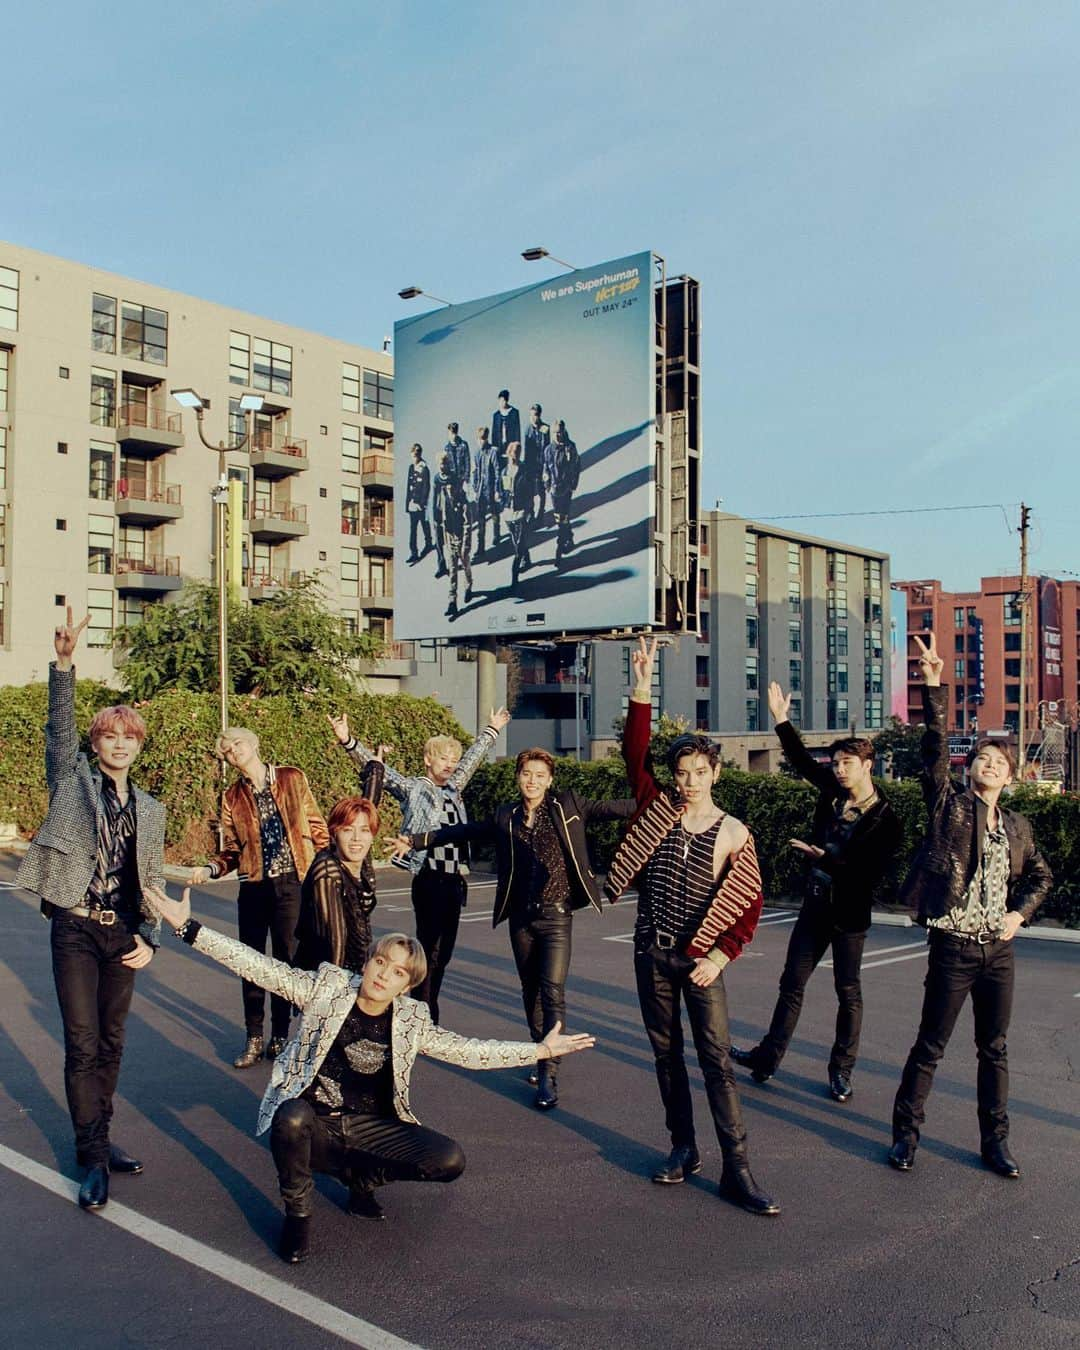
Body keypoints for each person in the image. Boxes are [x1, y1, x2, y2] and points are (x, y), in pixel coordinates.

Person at [146, 886, 596, 1264]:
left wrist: (539, 1050)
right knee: (291, 1117)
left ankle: (363, 1179)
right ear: (368, 964)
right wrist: (189, 929)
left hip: (370, 1127)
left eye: (398, 972)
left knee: (448, 1159)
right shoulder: (326, 988)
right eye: (381, 962)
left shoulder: (413, 1019)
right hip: (316, 1121)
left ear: (407, 984)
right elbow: (258, 966)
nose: (384, 975)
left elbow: (466, 1050)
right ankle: (298, 1213)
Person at [605, 636, 778, 1215]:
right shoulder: (658, 808)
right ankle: (683, 1147)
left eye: (699, 772)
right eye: (681, 772)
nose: (688, 781)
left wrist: (720, 957)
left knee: (717, 1060)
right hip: (650, 953)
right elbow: (634, 755)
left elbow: (748, 906)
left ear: (715, 774)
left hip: (701, 962)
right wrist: (642, 685)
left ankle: (739, 1169)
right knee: (665, 1054)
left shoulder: (733, 831)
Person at [15, 609, 164, 1210]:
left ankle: (99, 1137)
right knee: (82, 1045)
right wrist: (64, 667)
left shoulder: (151, 809)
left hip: (121, 934)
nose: (120, 743)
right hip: (75, 929)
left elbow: (149, 879)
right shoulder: (73, 781)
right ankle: (95, 1157)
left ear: (137, 745)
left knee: (112, 1043)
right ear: (96, 743)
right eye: (109, 736)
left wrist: (150, 935)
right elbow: (57, 733)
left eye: (128, 737)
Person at [887, 633, 1051, 1178]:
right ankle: (905, 1137)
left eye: (997, 762)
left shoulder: (1017, 826)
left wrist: (1017, 915)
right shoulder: (950, 806)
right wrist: (933, 685)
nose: (987, 765)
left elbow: (1042, 878)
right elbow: (932, 755)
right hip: (954, 946)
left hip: (997, 951)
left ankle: (995, 1143)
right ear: (970, 768)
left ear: (1010, 776)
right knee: (931, 1044)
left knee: (994, 1050)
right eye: (980, 759)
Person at [392, 747, 635, 1110]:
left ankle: (549, 1073)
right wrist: (417, 840)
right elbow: (464, 830)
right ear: (518, 777)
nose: (532, 781)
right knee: (530, 989)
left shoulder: (568, 805)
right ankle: (542, 1049)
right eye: (526, 774)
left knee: (553, 990)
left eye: (539, 775)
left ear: (550, 780)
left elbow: (618, 807)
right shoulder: (506, 815)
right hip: (521, 918)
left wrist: (670, 800)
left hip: (556, 917)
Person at [731, 682, 902, 1102]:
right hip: (814, 908)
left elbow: (865, 875)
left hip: (849, 917)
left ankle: (841, 1072)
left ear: (868, 765)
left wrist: (822, 857)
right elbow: (804, 763)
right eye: (837, 763)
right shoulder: (832, 792)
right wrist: (781, 720)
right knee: (791, 983)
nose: (839, 770)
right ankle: (766, 1059)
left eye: (847, 763)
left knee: (848, 993)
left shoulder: (886, 819)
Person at [329, 707, 510, 1024]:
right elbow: (380, 772)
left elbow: (473, 757)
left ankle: (424, 1009)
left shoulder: (454, 788)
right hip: (429, 877)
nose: (451, 764)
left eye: (453, 760)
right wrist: (348, 741)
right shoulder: (415, 788)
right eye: (443, 759)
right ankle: (424, 1015)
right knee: (428, 950)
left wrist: (491, 729)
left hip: (454, 881)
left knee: (444, 955)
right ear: (428, 760)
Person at [191, 729, 329, 1068]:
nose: (233, 751)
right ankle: (253, 1036)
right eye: (226, 750)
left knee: (284, 962)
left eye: (237, 744)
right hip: (253, 887)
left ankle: (280, 1036)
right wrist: (212, 868)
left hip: (292, 883)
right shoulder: (232, 796)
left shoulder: (291, 777)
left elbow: (317, 826)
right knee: (249, 963)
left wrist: (330, 869)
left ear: (254, 744)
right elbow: (233, 850)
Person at [433, 451, 473, 619]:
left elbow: (467, 524)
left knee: (465, 564)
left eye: (451, 488)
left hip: (461, 536)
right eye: (446, 489)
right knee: (452, 570)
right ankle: (452, 602)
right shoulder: (443, 500)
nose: (449, 490)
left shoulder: (463, 502)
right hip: (449, 537)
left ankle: (469, 586)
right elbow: (439, 518)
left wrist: (465, 543)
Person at [547, 419, 580, 564]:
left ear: (564, 431)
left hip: (566, 488)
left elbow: (577, 466)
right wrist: (547, 484)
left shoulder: (570, 447)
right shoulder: (549, 449)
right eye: (554, 433)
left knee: (562, 518)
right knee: (559, 518)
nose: (557, 435)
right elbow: (545, 468)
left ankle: (559, 549)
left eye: (559, 432)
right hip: (554, 489)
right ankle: (569, 536)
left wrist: (574, 483)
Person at [499, 440, 533, 586]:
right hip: (508, 511)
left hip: (520, 511)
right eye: (512, 455)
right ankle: (527, 557)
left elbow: (530, 491)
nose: (514, 458)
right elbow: (500, 488)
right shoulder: (504, 471)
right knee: (516, 540)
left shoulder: (524, 470)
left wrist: (529, 509)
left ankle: (514, 578)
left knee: (517, 547)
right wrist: (500, 498)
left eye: (517, 455)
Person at [471, 425, 503, 559]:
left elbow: (497, 472)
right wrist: (474, 488)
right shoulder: (477, 453)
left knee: (495, 513)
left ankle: (497, 534)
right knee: (481, 519)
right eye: (479, 439)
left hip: (491, 489)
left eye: (483, 439)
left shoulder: (493, 452)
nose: (481, 441)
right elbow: (475, 472)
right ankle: (480, 546)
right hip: (480, 491)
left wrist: (497, 490)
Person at [405, 443, 432, 564]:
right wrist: (407, 504)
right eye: (413, 455)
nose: (415, 457)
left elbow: (426, 487)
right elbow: (408, 487)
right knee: (413, 529)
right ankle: (413, 552)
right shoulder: (411, 468)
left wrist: (423, 503)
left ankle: (428, 543)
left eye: (417, 455)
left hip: (420, 504)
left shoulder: (424, 468)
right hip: (412, 504)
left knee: (424, 524)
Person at [523, 403, 550, 525]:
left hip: (541, 464)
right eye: (532, 415)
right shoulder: (528, 429)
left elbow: (547, 449)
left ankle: (541, 513)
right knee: (529, 491)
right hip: (530, 464)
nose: (533, 418)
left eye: (536, 415)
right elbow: (527, 449)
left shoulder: (545, 429)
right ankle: (530, 513)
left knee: (540, 490)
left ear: (539, 415)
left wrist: (546, 466)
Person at [491, 388, 520, 457]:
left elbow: (517, 430)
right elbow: (494, 431)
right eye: (500, 401)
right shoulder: (496, 415)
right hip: (499, 445)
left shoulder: (514, 413)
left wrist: (516, 445)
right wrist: (494, 445)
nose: (501, 403)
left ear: (507, 400)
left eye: (503, 400)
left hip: (511, 445)